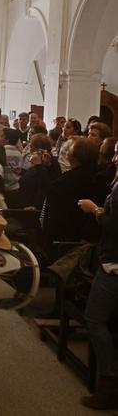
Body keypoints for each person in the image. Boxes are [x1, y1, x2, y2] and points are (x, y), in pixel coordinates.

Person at [77, 141, 118, 410]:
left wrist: (95, 210)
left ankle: (108, 383)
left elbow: (113, 225)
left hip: (113, 263)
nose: (114, 158)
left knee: (94, 319)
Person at [41, 138, 101, 258]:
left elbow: (50, 220)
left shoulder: (61, 183)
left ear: (72, 156)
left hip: (64, 243)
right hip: (95, 241)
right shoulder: (101, 178)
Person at [19, 133, 61, 209]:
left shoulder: (50, 162)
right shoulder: (38, 161)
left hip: (37, 208)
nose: (29, 149)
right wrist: (22, 171)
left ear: (39, 148)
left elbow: (46, 186)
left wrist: (36, 206)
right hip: (27, 204)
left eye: (31, 146)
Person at [2, 127, 22, 207]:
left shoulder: (1, 151)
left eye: (2, 136)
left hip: (4, 188)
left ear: (7, 139)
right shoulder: (18, 153)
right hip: (15, 187)